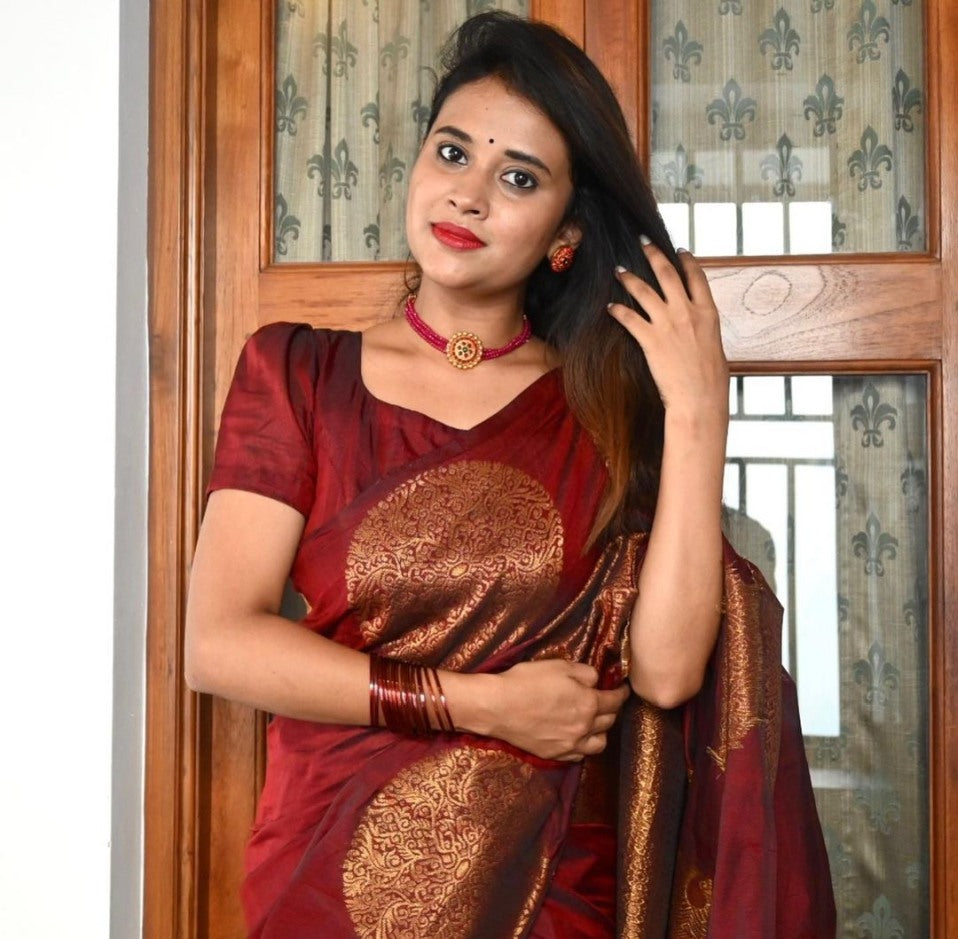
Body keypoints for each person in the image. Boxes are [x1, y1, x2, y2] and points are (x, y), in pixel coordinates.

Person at [185, 12, 834, 937]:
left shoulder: (601, 409)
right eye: (452, 152)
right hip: (325, 877)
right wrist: (481, 704)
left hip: (551, 886)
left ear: (564, 232)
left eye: (518, 177)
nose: (470, 194)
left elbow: (666, 669)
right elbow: (218, 642)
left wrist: (697, 410)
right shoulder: (297, 373)